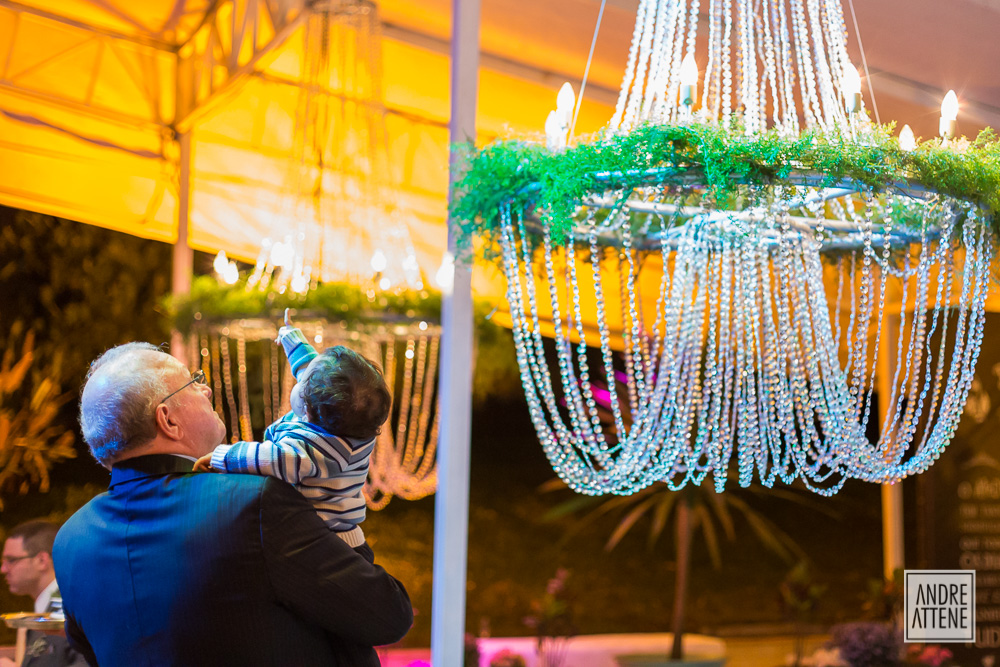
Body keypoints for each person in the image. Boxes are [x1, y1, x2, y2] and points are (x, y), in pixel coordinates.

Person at [52, 342, 412, 666]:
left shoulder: (71, 541)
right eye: (192, 382)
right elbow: (387, 614)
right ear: (168, 419)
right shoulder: (251, 504)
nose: (206, 388)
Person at [195, 310, 389, 550]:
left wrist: (223, 456)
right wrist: (292, 338)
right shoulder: (350, 423)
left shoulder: (307, 452)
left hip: (325, 543)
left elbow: (268, 458)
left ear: (306, 410)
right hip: (349, 536)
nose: (300, 376)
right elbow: (316, 374)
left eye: (302, 382)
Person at [0, 521, 85, 667]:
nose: (3, 569)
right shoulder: (45, 609)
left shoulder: (71, 609)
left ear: (42, 560)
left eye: (11, 560)